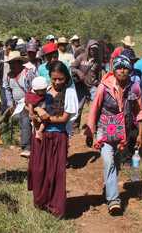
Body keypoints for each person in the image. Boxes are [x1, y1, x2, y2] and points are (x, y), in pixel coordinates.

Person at [86, 55, 142, 215]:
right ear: (114, 69)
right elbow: (94, 109)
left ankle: (109, 186)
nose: (122, 70)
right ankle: (114, 200)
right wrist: (90, 132)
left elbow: (138, 111)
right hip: (104, 129)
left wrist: (140, 134)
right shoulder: (104, 87)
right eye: (119, 67)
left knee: (116, 162)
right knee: (108, 160)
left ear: (130, 70)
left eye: (125, 68)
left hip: (124, 132)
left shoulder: (134, 88)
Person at [28, 61, 79, 218]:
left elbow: (64, 118)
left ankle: (56, 206)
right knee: (39, 169)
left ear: (66, 78)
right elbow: (29, 102)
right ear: (49, 77)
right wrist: (35, 110)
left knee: (56, 172)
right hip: (40, 136)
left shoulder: (69, 93)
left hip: (58, 136)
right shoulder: (44, 89)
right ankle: (41, 201)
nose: (57, 82)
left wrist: (46, 117)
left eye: (61, 79)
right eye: (54, 78)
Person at [5, 51, 36, 158]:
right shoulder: (9, 76)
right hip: (17, 103)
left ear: (19, 62)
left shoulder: (28, 73)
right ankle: (13, 140)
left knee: (25, 118)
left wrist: (29, 103)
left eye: (13, 63)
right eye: (9, 63)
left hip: (29, 101)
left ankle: (26, 146)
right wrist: (10, 103)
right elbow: (7, 89)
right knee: (8, 118)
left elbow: (34, 89)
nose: (11, 66)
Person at [71, 40, 102, 128]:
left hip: (92, 86)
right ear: (88, 48)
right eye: (92, 49)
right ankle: (75, 126)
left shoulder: (97, 60)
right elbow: (72, 67)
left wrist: (98, 83)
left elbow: (99, 74)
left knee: (96, 106)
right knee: (79, 107)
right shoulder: (81, 57)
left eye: (95, 49)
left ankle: (95, 126)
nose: (93, 51)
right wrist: (78, 72)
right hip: (81, 85)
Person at [0, 39, 17, 113]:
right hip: (1, 83)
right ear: (5, 47)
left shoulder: (14, 55)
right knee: (4, 102)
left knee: (13, 100)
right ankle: (5, 118)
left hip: (12, 81)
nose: (10, 51)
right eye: (9, 49)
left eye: (12, 49)